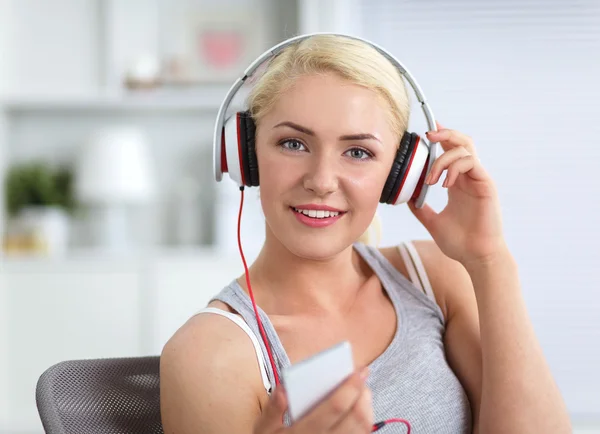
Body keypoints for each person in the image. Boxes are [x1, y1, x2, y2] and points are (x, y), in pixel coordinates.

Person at [159, 34, 571, 433]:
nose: (321, 181)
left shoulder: (432, 279)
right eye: (293, 143)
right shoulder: (209, 356)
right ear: (245, 154)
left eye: (358, 152)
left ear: (400, 175)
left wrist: (490, 260)